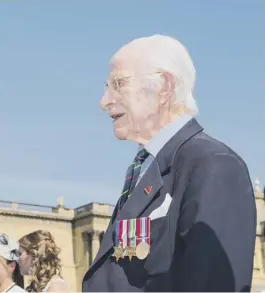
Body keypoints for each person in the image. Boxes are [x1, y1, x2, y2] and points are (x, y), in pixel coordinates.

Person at [82, 34, 256, 292]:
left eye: (118, 84)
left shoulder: (213, 166)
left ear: (163, 86)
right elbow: (130, 275)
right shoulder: (146, 170)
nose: (103, 101)